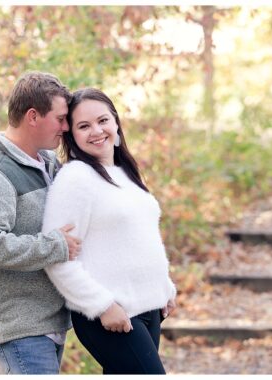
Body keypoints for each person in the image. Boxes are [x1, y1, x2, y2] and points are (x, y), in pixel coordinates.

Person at [42, 88, 177, 374]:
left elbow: (141, 236)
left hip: (148, 309)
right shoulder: (76, 179)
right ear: (72, 135)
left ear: (115, 121)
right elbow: (58, 256)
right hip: (110, 314)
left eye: (103, 120)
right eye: (84, 126)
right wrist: (102, 306)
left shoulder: (125, 173)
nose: (96, 131)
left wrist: (164, 285)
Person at [0, 71, 82, 374]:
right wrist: (54, 246)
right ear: (33, 117)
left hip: (46, 319)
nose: (66, 128)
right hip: (19, 326)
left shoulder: (47, 162)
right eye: (61, 119)